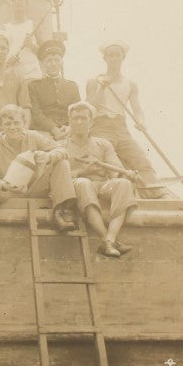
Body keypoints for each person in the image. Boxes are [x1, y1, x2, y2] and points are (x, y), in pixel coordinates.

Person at [0, 103, 77, 270]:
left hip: (34, 186)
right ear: (1, 125)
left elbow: (62, 150)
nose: (12, 127)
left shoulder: (34, 137)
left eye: (16, 122)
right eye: (7, 123)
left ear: (24, 123)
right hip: (9, 191)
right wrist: (0, 184)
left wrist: (48, 156)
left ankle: (59, 212)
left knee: (61, 162)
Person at [85, 41, 167, 197]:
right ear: (105, 59)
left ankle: (155, 194)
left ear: (123, 57)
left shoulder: (130, 84)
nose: (114, 58)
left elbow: (137, 109)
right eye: (110, 55)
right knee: (103, 164)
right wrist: (102, 87)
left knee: (141, 161)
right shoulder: (94, 81)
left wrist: (141, 121)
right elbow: (90, 108)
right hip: (100, 127)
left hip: (121, 128)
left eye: (117, 55)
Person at [61, 101, 140, 258]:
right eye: (75, 118)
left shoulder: (103, 144)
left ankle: (109, 239)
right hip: (77, 187)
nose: (79, 122)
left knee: (124, 184)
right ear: (69, 121)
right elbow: (58, 179)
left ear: (91, 122)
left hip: (102, 186)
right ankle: (107, 240)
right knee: (84, 183)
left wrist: (128, 175)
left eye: (83, 118)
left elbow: (116, 171)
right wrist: (84, 171)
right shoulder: (60, 146)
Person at [27, 40, 81, 138]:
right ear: (43, 64)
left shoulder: (72, 86)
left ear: (61, 63)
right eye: (49, 60)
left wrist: (69, 127)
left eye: (56, 60)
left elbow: (77, 112)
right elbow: (36, 114)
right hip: (42, 132)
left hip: (67, 131)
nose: (53, 64)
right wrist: (53, 129)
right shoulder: (33, 86)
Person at [0, 0, 42, 81]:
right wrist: (7, 61)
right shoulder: (4, 29)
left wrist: (32, 46)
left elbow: (44, 53)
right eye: (13, 0)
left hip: (33, 77)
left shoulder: (34, 25)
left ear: (26, 4)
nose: (16, 2)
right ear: (9, 6)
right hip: (12, 78)